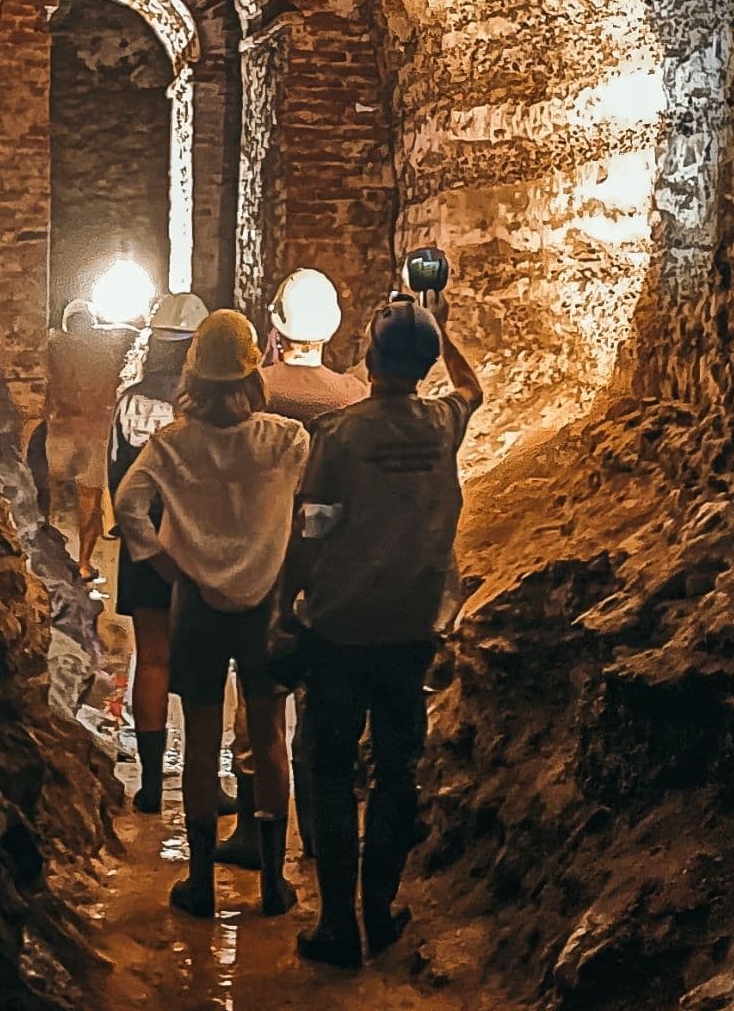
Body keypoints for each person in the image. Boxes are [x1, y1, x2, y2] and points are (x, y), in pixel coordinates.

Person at [288, 291, 484, 968]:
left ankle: (337, 924)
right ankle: (379, 911)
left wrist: (288, 602)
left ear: (369, 361)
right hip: (411, 626)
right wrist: (443, 332)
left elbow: (311, 527)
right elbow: (472, 388)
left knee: (332, 768)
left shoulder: (339, 435)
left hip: (341, 627)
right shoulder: (442, 424)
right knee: (397, 772)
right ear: (425, 365)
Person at [112, 309, 309, 919]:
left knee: (200, 740)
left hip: (197, 604)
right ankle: (273, 881)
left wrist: (164, 563)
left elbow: (128, 504)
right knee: (268, 737)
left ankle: (200, 882)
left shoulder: (172, 444)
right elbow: (310, 508)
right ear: (253, 375)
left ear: (194, 375)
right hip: (266, 605)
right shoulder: (287, 440)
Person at [216, 268, 369, 871]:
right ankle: (317, 836)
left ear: (274, 328)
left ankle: (256, 835)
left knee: (259, 701)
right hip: (330, 566)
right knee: (320, 701)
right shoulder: (352, 394)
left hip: (264, 559)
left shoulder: (254, 390)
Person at [105, 291, 208, 813]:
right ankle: (202, 783)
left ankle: (150, 785)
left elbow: (115, 474)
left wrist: (140, 540)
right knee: (204, 663)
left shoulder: (130, 402)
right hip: (199, 546)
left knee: (152, 657)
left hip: (143, 542)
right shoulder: (209, 410)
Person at [45, 299, 125, 584]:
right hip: (95, 433)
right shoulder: (107, 349)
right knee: (90, 498)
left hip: (61, 431)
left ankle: (45, 554)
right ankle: (83, 564)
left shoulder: (53, 346)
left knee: (47, 492)